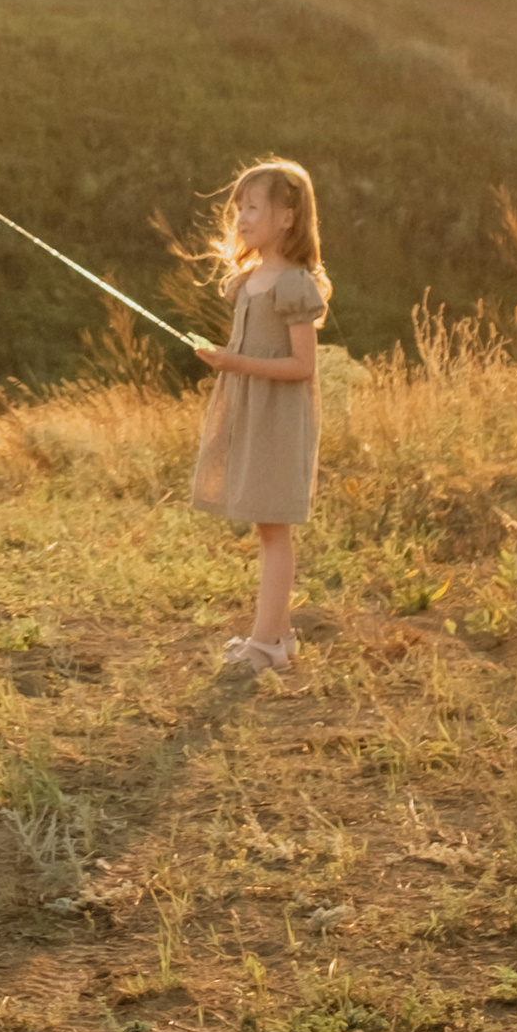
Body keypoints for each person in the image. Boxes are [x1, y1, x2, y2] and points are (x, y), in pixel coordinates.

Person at [190, 156, 330, 676]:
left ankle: (265, 644)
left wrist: (235, 362)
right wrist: (225, 356)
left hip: (280, 418)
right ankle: (281, 635)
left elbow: (302, 366)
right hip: (252, 412)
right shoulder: (247, 280)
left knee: (274, 530)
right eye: (239, 209)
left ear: (287, 217)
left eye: (253, 207)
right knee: (265, 526)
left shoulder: (292, 283)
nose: (242, 218)